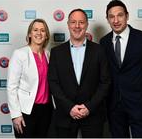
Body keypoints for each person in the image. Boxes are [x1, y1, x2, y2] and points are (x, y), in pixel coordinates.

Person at [100, 0, 142, 138]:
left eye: (120, 15)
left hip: (139, 105)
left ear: (127, 16)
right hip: (114, 107)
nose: (116, 20)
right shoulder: (104, 42)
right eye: (111, 16)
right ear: (107, 19)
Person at [48, 8, 111, 138]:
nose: (77, 26)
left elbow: (105, 82)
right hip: (65, 115)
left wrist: (89, 107)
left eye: (81, 22)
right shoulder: (56, 52)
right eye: (73, 22)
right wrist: (69, 107)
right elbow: (53, 83)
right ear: (68, 24)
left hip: (93, 116)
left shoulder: (99, 51)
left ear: (87, 25)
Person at [7, 18, 53, 138]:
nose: (39, 33)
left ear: (46, 35)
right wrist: (16, 115)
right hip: (26, 110)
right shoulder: (19, 54)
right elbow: (11, 87)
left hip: (46, 110)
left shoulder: (48, 54)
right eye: (35, 30)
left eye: (42, 30)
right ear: (29, 34)